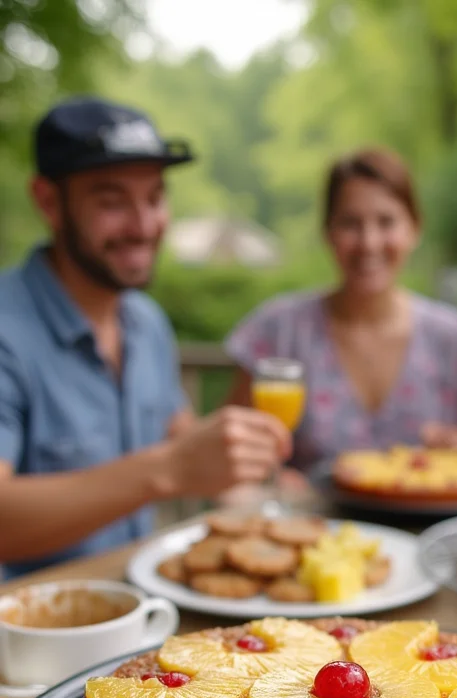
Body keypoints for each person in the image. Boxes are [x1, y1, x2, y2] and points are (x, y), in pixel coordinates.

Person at [0, 97, 290, 577]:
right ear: (49, 201)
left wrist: (249, 465)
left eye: (154, 198)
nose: (143, 225)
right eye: (112, 201)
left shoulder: (146, 320)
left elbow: (179, 434)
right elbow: (171, 461)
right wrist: (167, 469)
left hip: (141, 610)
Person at [224, 147, 457, 471]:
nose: (369, 242)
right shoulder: (278, 330)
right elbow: (231, 450)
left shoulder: (453, 338)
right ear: (328, 233)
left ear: (414, 229)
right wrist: (273, 480)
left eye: (386, 222)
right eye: (350, 223)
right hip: (306, 518)